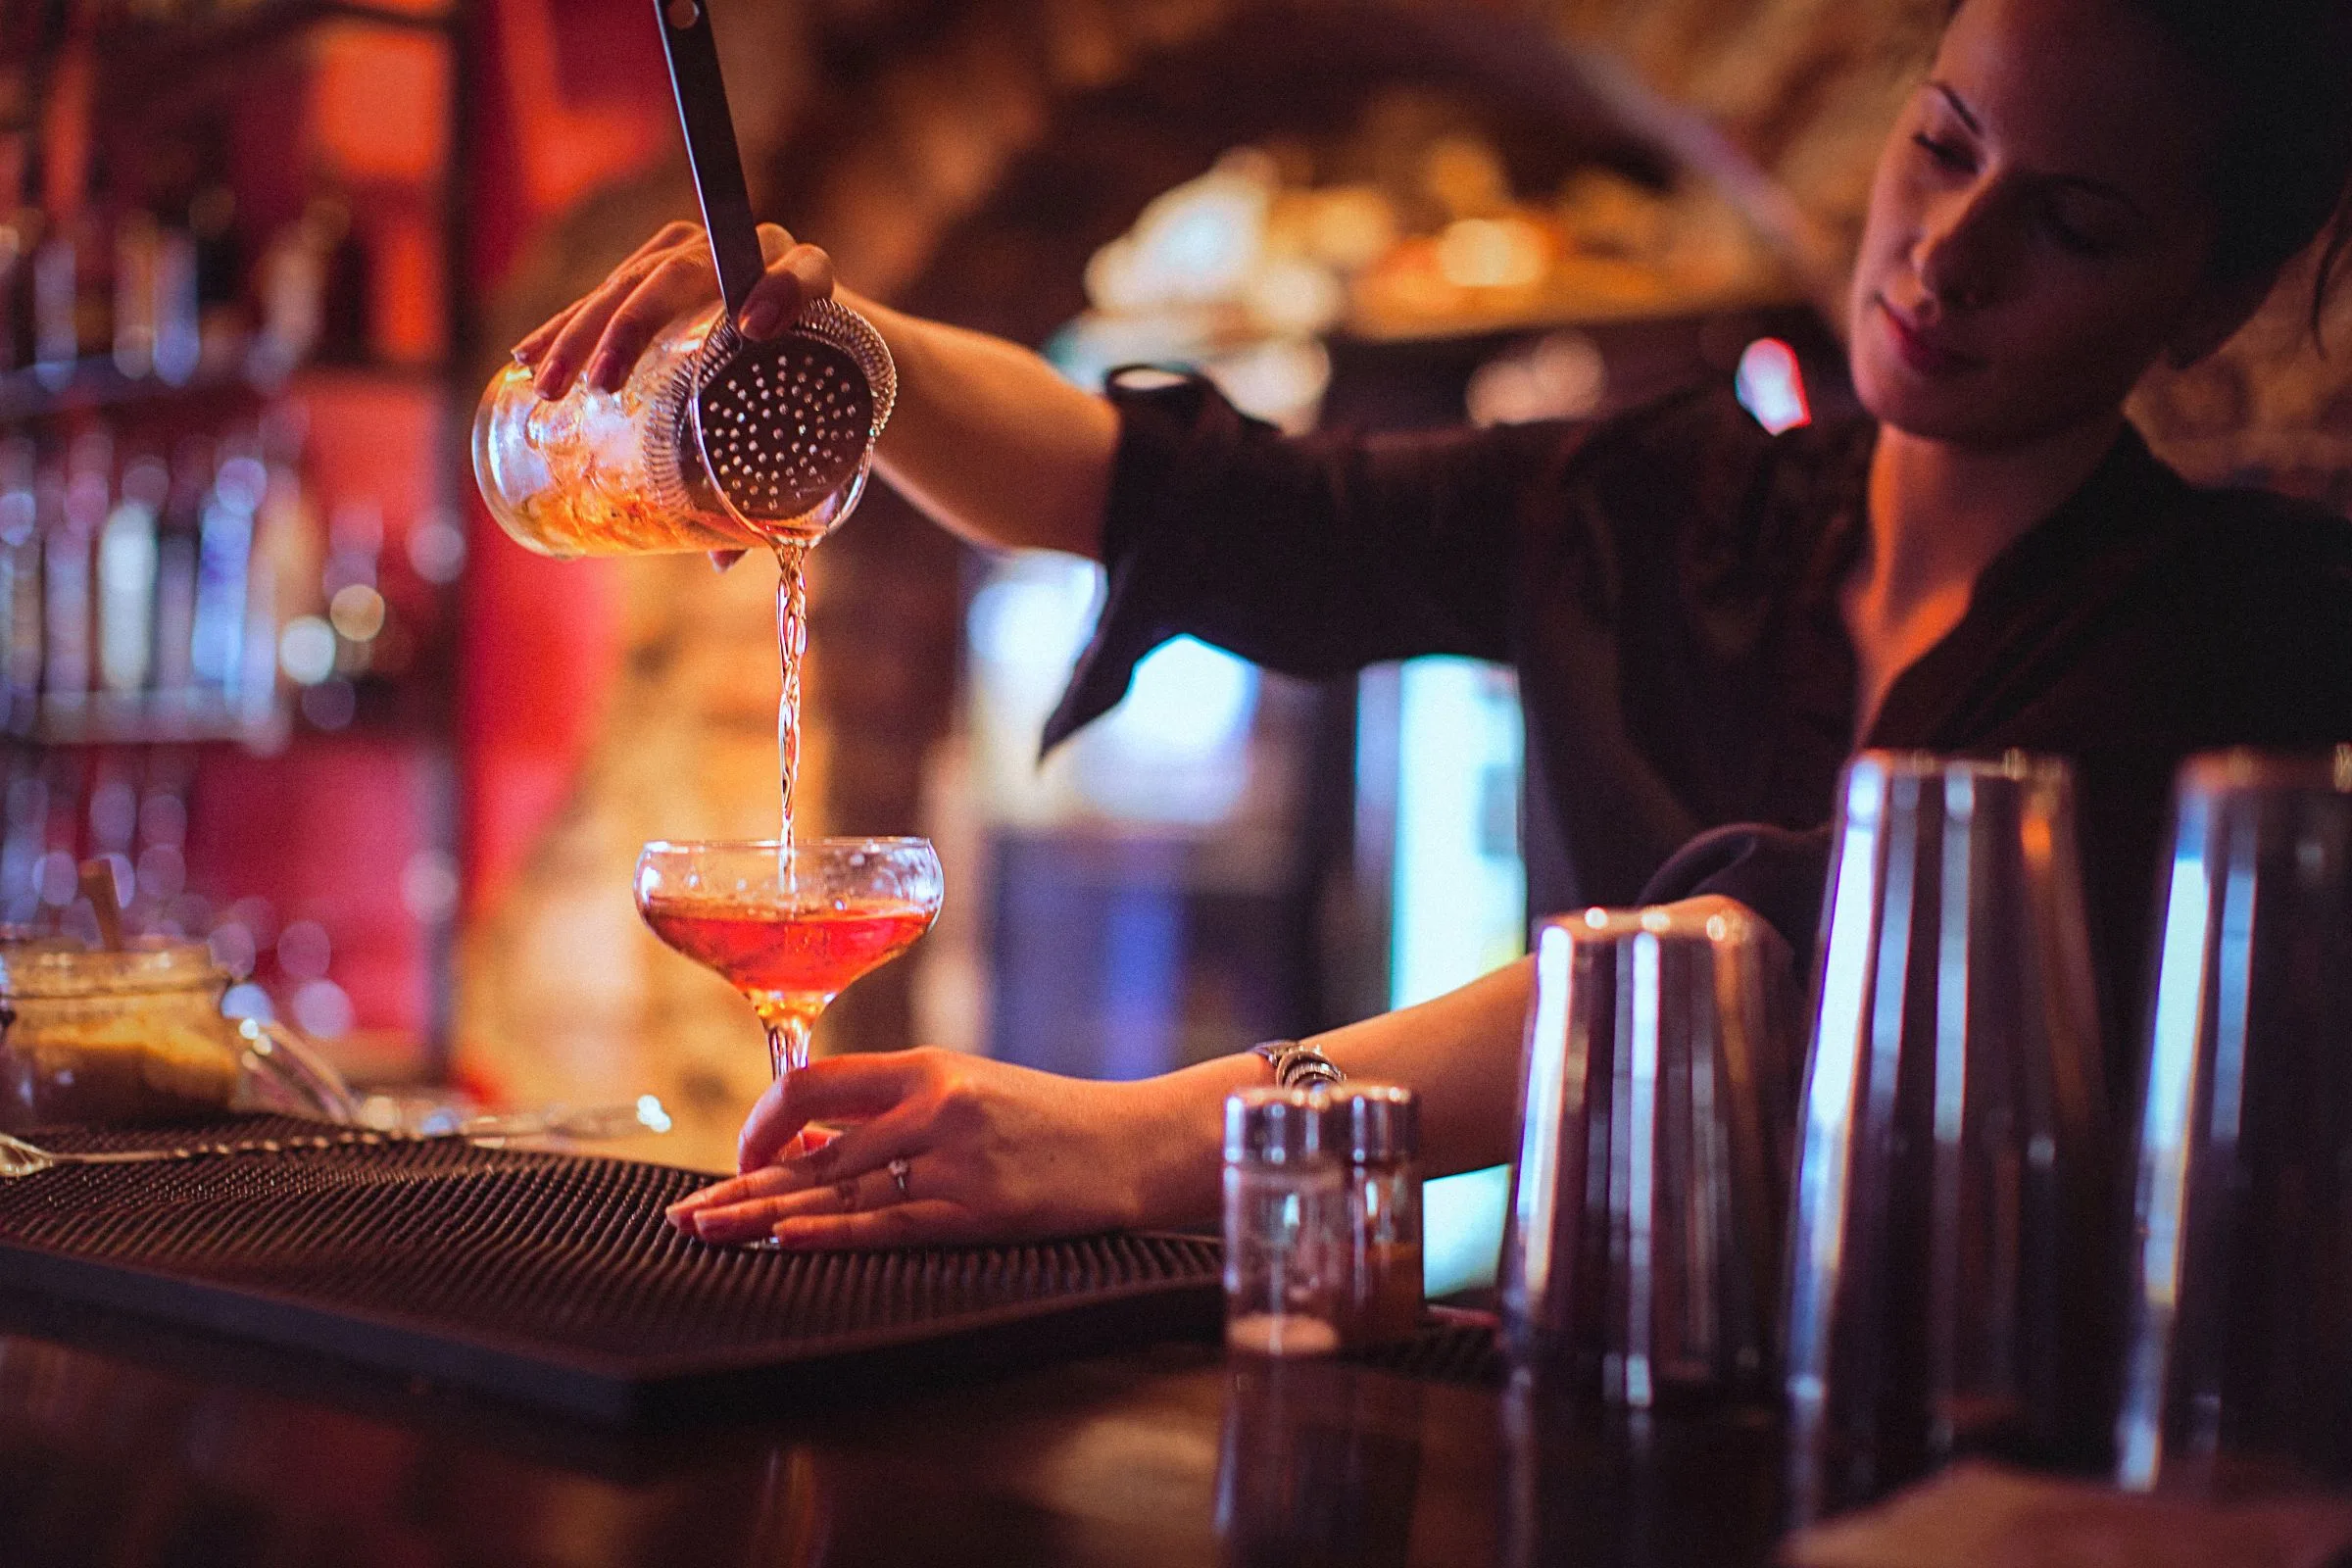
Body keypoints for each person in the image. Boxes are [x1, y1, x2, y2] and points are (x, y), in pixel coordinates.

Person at [514, 0, 2352, 1250]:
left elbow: (1763, 965)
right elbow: (1177, 499)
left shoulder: (2249, 634)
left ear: (2212, 301)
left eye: (2078, 226)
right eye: (1943, 147)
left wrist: (1133, 1141)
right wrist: (851, 347)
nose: (1953, 253)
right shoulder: (1668, 502)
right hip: (1597, 1388)